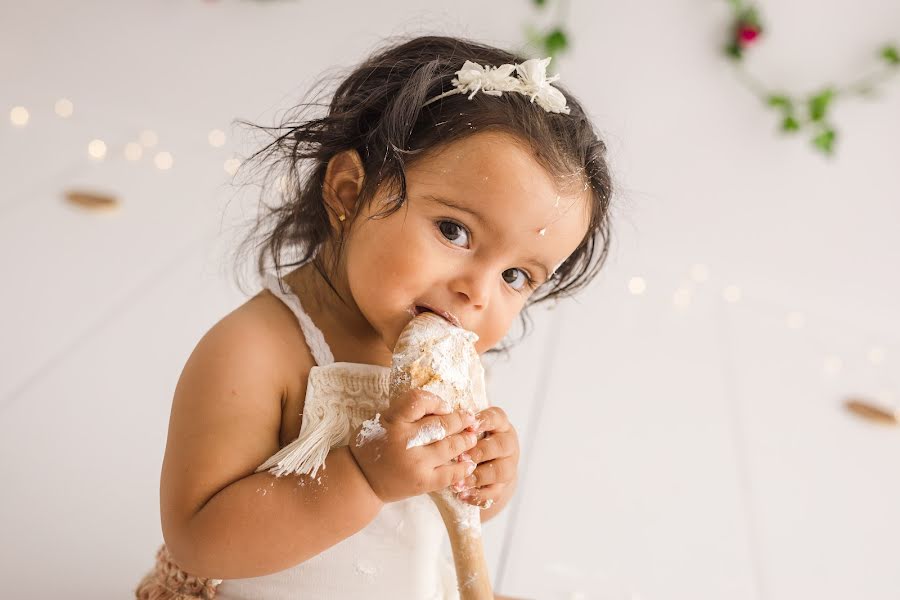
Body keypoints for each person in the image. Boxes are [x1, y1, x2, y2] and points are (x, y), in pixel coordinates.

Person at [135, 34, 614, 599]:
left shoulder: (446, 362)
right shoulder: (255, 351)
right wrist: (362, 476)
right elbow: (199, 539)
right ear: (347, 190)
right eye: (454, 231)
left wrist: (482, 485)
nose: (477, 293)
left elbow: (427, 523)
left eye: (516, 277)